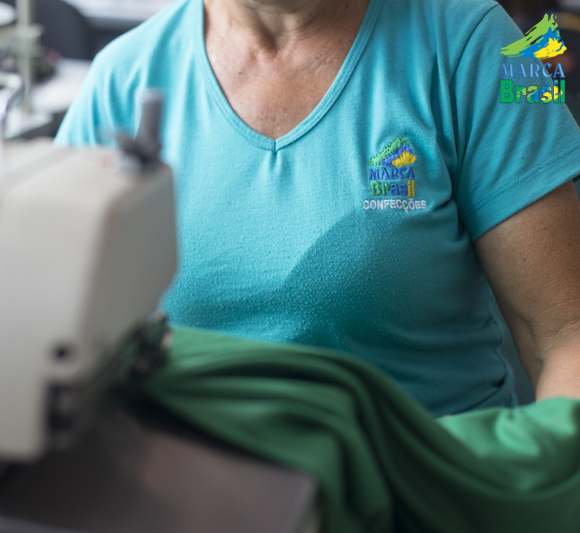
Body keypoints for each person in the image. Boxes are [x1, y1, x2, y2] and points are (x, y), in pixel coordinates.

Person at [55, 0, 580, 416]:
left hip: (425, 490)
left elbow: (564, 335)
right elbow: (55, 324)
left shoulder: (487, 45)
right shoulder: (120, 77)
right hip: (195, 491)